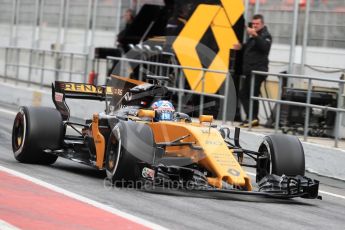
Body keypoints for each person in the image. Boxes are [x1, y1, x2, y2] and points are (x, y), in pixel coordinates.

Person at [235, 14, 272, 127]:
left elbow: (264, 47)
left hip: (258, 71)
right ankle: (252, 118)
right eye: (253, 24)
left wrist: (255, 35)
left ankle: (252, 118)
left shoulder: (266, 35)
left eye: (257, 24)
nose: (255, 26)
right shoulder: (253, 37)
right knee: (247, 94)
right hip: (250, 71)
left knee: (249, 93)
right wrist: (241, 46)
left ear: (262, 24)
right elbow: (250, 48)